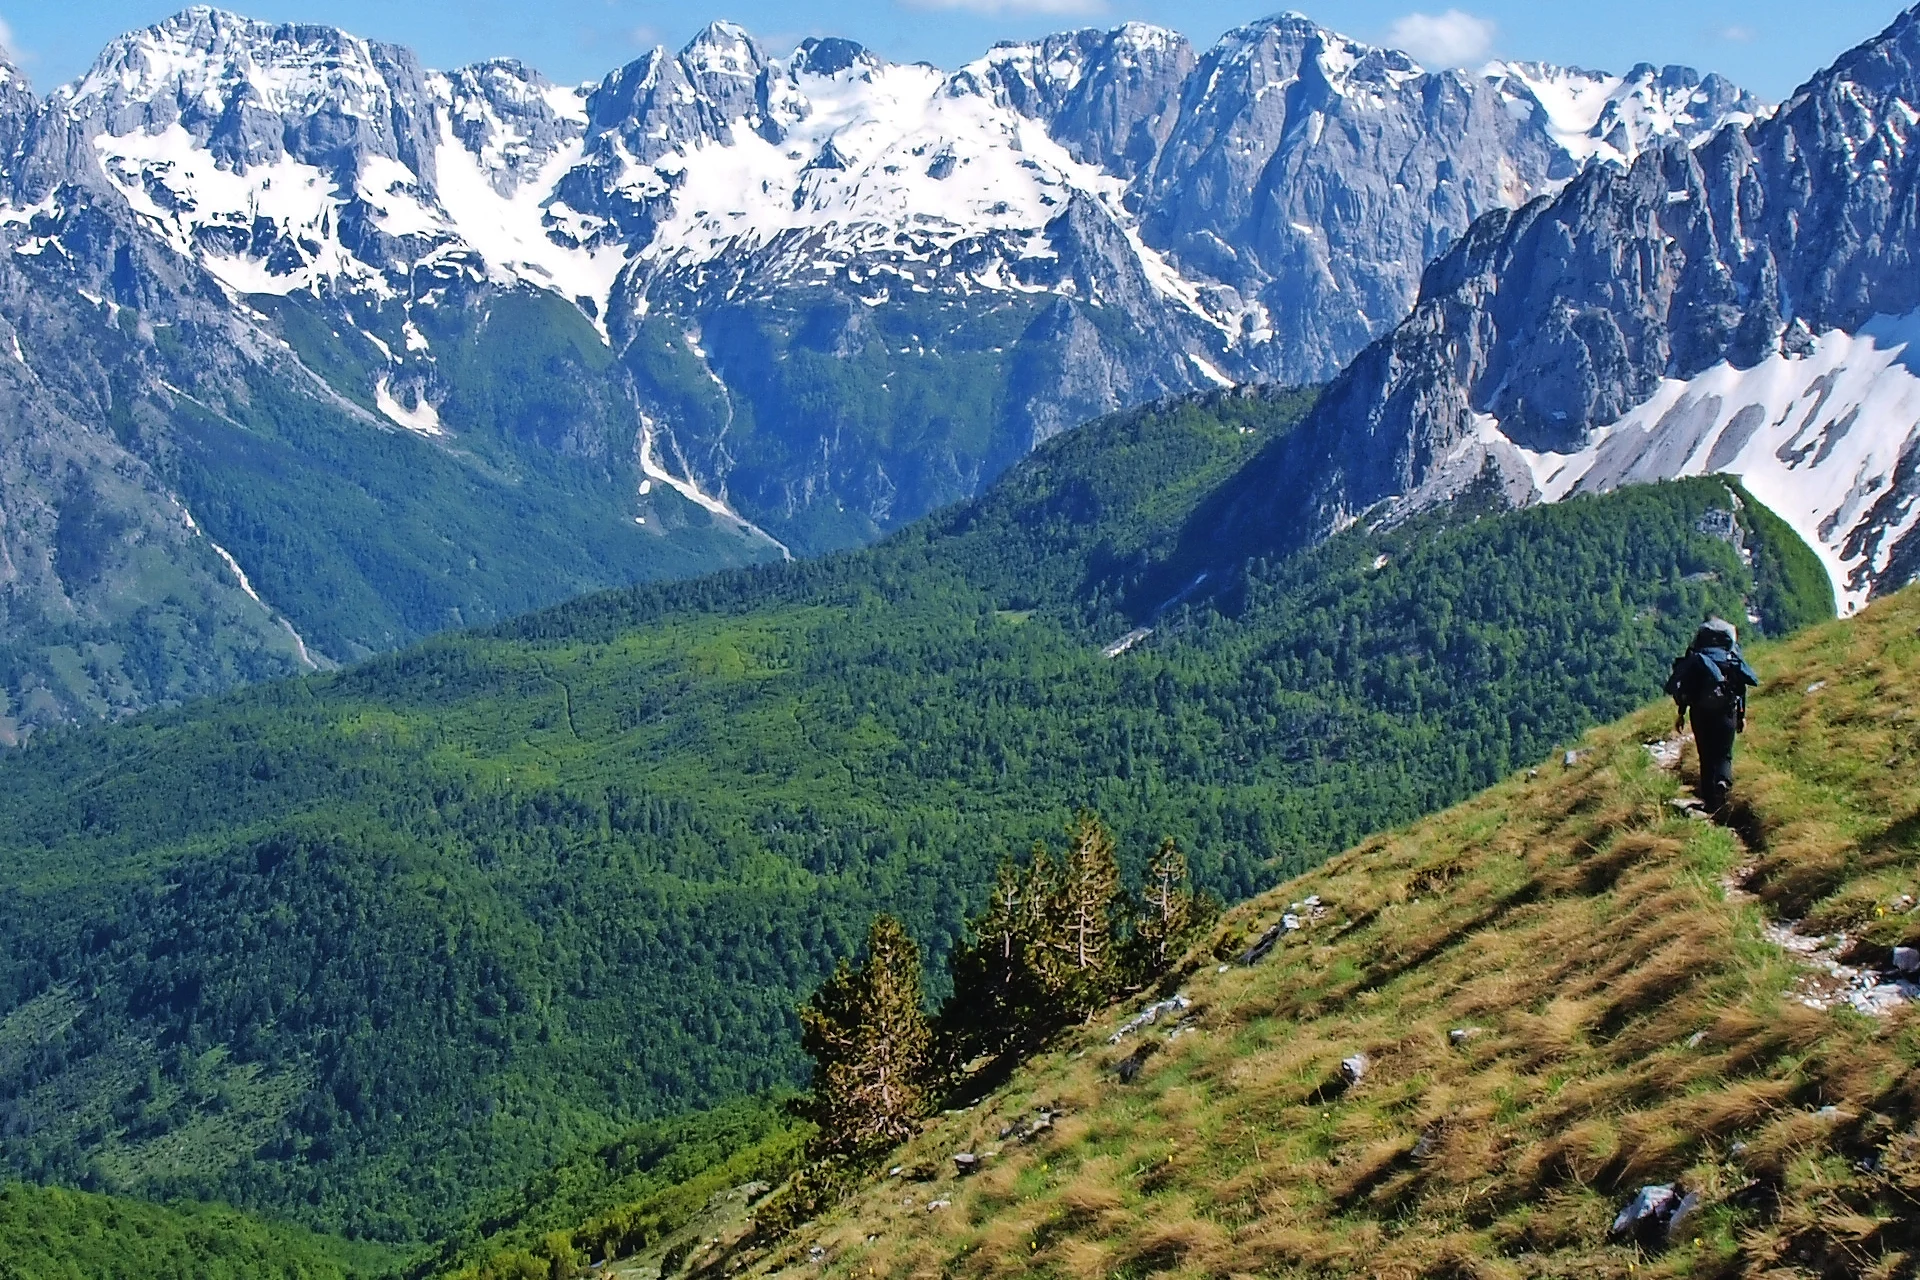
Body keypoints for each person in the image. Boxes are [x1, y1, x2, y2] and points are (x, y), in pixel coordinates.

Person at [1664, 616, 1759, 811]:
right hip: (1727, 711)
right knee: (1724, 754)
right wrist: (1741, 715)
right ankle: (1723, 782)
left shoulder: (1696, 658)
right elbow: (1741, 688)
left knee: (1706, 755)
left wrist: (1681, 713)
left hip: (1700, 712)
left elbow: (1684, 689)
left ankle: (1710, 804)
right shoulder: (1731, 657)